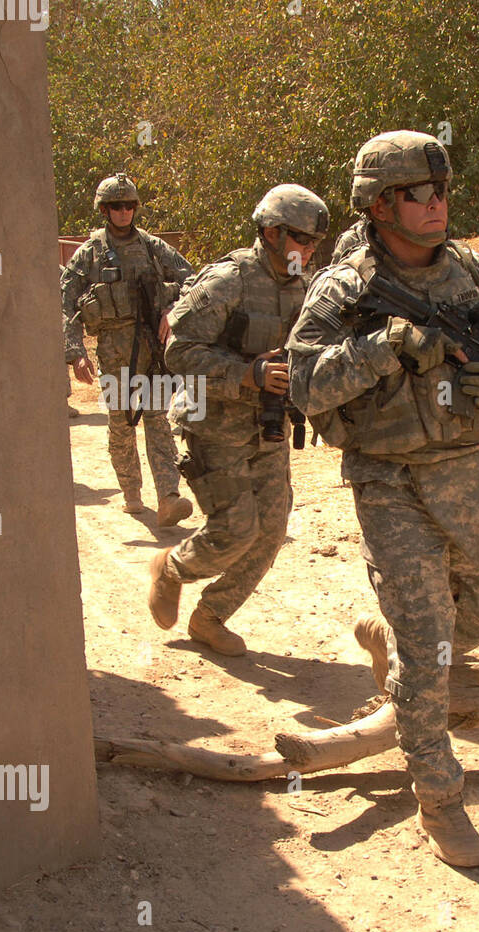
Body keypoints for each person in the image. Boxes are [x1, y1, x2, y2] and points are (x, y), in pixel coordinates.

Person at [287, 130, 479, 868]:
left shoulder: (474, 270)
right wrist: (384, 348)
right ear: (379, 205)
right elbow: (306, 386)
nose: (437, 205)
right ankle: (440, 801)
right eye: (419, 194)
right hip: (392, 481)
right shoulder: (343, 289)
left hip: (474, 473)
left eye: (441, 192)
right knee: (429, 644)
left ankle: (400, 656)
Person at [147, 184, 329, 656]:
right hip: (212, 423)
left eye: (314, 244)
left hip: (268, 423)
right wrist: (245, 373)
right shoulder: (227, 281)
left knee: (270, 531)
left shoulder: (306, 288)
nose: (309, 251)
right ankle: (172, 568)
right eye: (302, 240)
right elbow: (179, 351)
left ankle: (210, 617)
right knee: (237, 529)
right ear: (271, 233)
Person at [60, 173, 195, 524]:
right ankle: (131, 491)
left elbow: (191, 279)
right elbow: (66, 302)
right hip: (114, 353)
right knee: (121, 423)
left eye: (129, 206)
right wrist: (75, 352)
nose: (124, 212)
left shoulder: (152, 247)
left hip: (151, 347)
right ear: (104, 210)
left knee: (158, 420)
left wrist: (172, 310)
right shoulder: (89, 254)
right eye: (116, 206)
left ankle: (169, 496)